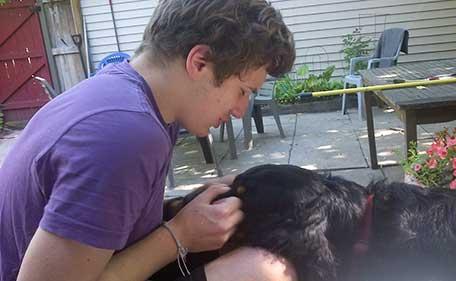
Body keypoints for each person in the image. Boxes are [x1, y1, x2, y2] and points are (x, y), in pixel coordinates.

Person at [0, 0, 296, 281]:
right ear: (200, 62)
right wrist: (179, 235)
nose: (240, 109)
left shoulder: (131, 95)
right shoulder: (127, 134)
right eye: (242, 91)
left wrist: (190, 207)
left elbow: (110, 217)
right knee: (266, 270)